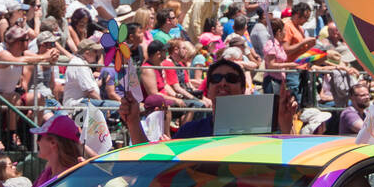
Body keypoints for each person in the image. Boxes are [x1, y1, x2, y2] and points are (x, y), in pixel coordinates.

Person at [121, 56, 297, 142]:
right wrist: (134, 122)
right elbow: (152, 168)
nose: (223, 83)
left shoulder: (264, 129)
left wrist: (286, 125)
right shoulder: (190, 132)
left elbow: (290, 161)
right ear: (208, 90)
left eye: (231, 79)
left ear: (243, 89)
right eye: (216, 79)